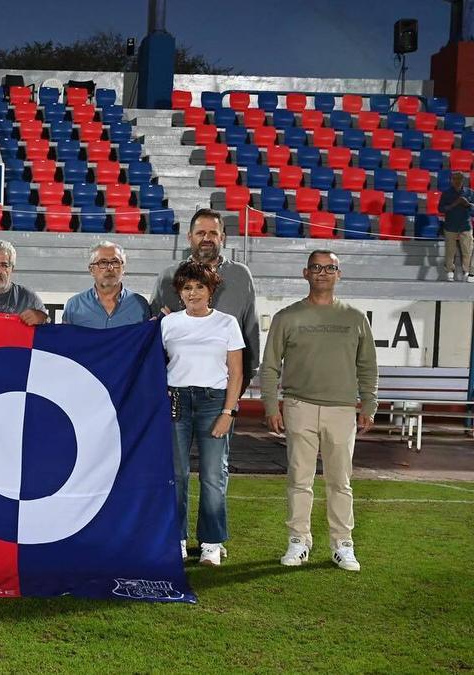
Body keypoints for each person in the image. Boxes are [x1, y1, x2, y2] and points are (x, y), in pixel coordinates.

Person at [261, 250, 378, 572]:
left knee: (340, 482)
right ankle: (299, 541)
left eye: (330, 268)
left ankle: (343, 544)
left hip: (342, 410)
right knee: (300, 479)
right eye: (316, 268)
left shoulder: (355, 318)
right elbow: (269, 366)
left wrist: (369, 403)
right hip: (299, 406)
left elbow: (368, 365)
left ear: (339, 274)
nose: (323, 273)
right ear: (305, 273)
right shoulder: (287, 317)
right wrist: (272, 405)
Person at [161, 261, 245, 567]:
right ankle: (176, 539)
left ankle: (211, 542)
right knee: (176, 475)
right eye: (186, 287)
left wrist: (228, 411)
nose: (193, 293)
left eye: (199, 286)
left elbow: (236, 372)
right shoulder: (167, 324)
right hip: (175, 402)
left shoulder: (227, 323)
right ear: (179, 293)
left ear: (211, 290)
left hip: (214, 403)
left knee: (213, 475)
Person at [150, 208, 259, 392]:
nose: (206, 238)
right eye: (200, 233)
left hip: (226, 383)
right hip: (177, 384)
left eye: (213, 233)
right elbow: (154, 330)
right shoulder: (168, 276)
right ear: (189, 236)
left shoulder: (240, 275)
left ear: (222, 237)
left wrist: (248, 374)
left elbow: (251, 328)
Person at [63, 241, 152, 328]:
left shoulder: (140, 304)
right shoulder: (74, 305)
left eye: (115, 262)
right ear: (91, 270)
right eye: (103, 262)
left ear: (123, 269)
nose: (110, 268)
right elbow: (65, 339)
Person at [437, 172, 473, 282]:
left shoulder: (470, 193)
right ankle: (449, 271)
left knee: (468, 249)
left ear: (463, 180)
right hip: (450, 225)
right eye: (455, 179)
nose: (457, 181)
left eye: (459, 179)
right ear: (451, 180)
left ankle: (468, 272)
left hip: (465, 225)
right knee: (450, 250)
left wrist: (467, 204)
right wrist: (455, 204)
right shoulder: (446, 193)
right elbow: (441, 209)